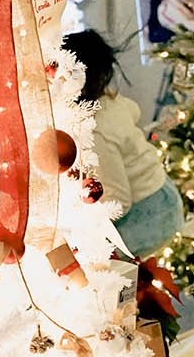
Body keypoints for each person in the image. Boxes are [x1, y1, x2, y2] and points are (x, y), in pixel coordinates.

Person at [61, 30, 184, 257]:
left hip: (149, 212)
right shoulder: (108, 100)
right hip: (162, 193)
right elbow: (132, 112)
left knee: (96, 262)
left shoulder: (95, 128)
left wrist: (85, 224)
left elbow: (117, 200)